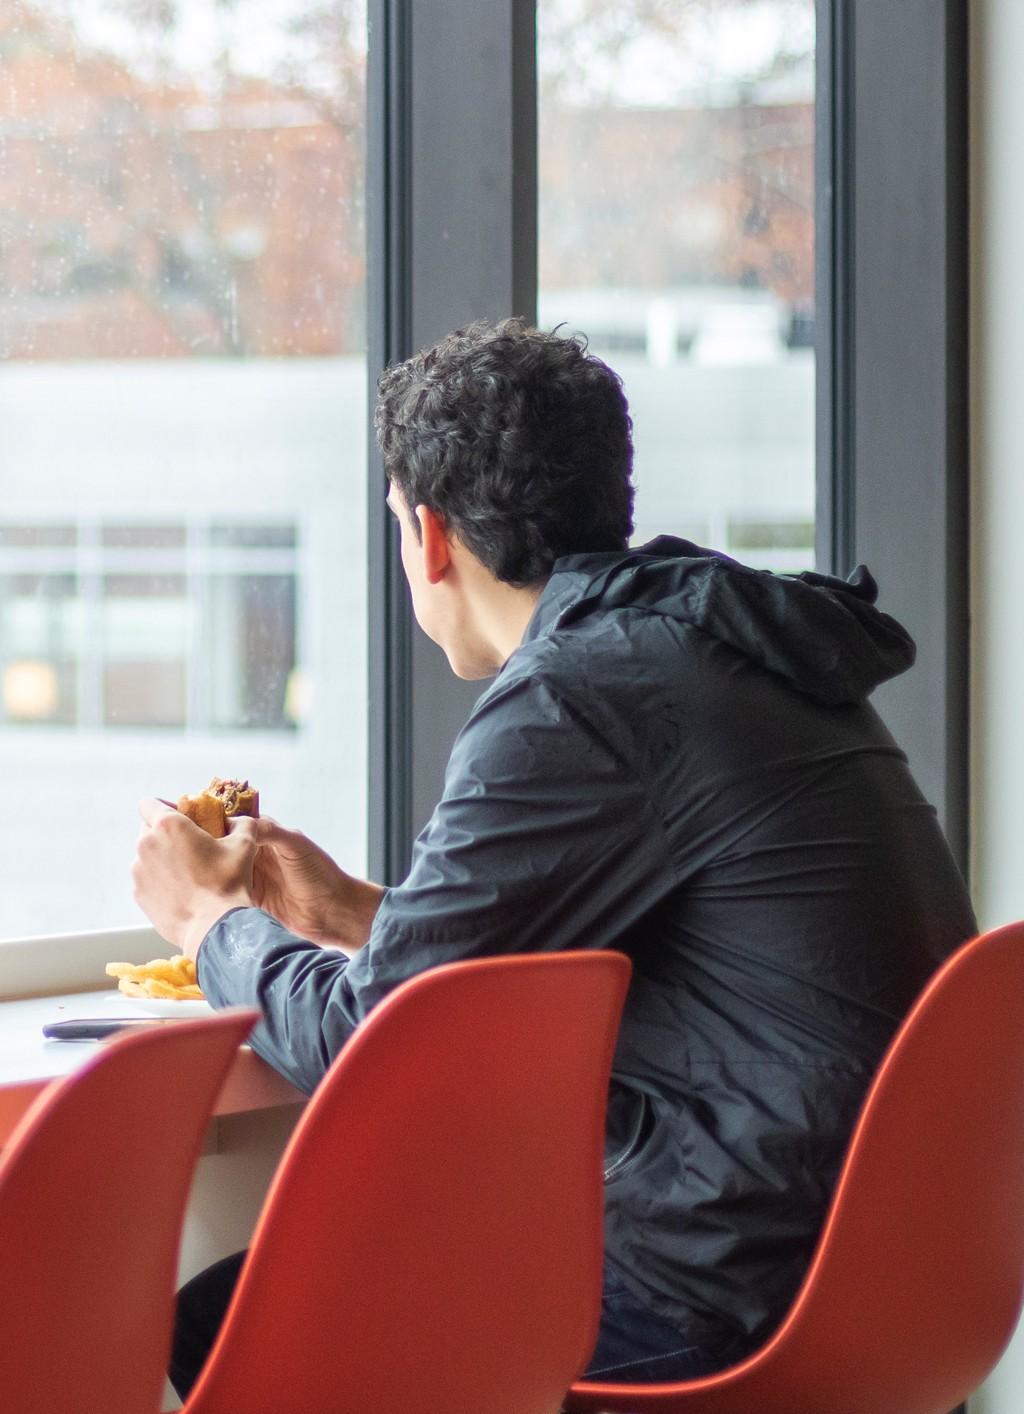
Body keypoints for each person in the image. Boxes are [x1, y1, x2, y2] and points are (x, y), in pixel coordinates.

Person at [133, 318, 976, 1398]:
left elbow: (372, 1046)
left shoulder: (581, 692)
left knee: (233, 1324)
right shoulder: (718, 644)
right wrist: (352, 911)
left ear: (431, 536)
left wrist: (210, 927)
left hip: (729, 1295)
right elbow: (684, 958)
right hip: (893, 1272)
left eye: (397, 525)